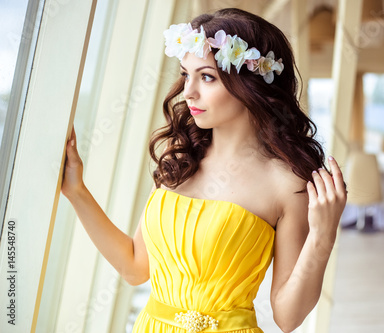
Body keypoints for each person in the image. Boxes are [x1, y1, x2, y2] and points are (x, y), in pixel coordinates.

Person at [61, 7, 346, 333]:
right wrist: (77, 191)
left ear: (251, 85)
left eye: (207, 77)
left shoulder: (285, 184)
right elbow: (135, 267)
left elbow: (287, 317)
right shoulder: (179, 160)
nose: (188, 91)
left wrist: (322, 239)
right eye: (186, 74)